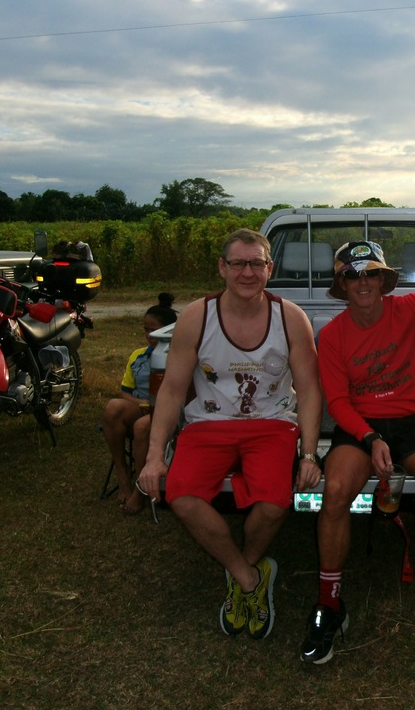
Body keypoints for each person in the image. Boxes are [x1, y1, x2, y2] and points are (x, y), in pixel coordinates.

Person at [300, 227, 415, 664]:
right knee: (335, 492)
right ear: (342, 285)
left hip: (413, 420)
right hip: (360, 426)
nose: (362, 281)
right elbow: (337, 402)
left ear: (384, 280)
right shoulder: (332, 336)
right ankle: (330, 604)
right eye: (352, 275)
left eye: (371, 273)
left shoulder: (410, 310)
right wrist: (370, 438)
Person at [138, 228, 322, 641]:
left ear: (270, 268)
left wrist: (309, 454)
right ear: (222, 267)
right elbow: (172, 389)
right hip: (208, 423)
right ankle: (248, 577)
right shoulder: (196, 316)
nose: (247, 272)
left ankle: (243, 569)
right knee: (181, 495)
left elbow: (310, 388)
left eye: (256, 263)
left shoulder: (290, 317)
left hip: (272, 423)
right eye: (238, 263)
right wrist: (154, 455)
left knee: (275, 502)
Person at [102, 292, 178, 515]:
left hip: (168, 413)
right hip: (143, 406)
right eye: (145, 329)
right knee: (113, 407)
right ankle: (123, 475)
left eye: (153, 330)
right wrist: (141, 402)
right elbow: (124, 391)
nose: (148, 335)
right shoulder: (138, 356)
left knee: (142, 426)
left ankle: (140, 488)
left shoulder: (179, 357)